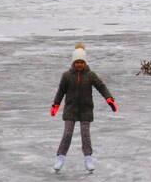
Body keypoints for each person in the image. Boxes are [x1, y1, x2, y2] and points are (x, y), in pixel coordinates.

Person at [50, 42, 117, 173]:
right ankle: (60, 157)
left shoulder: (90, 75)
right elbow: (60, 91)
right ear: (73, 62)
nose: (79, 64)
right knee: (67, 134)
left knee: (85, 135)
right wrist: (55, 104)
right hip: (70, 109)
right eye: (77, 62)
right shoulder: (67, 76)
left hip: (86, 110)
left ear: (85, 62)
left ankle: (88, 158)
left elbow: (101, 87)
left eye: (82, 62)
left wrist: (109, 99)